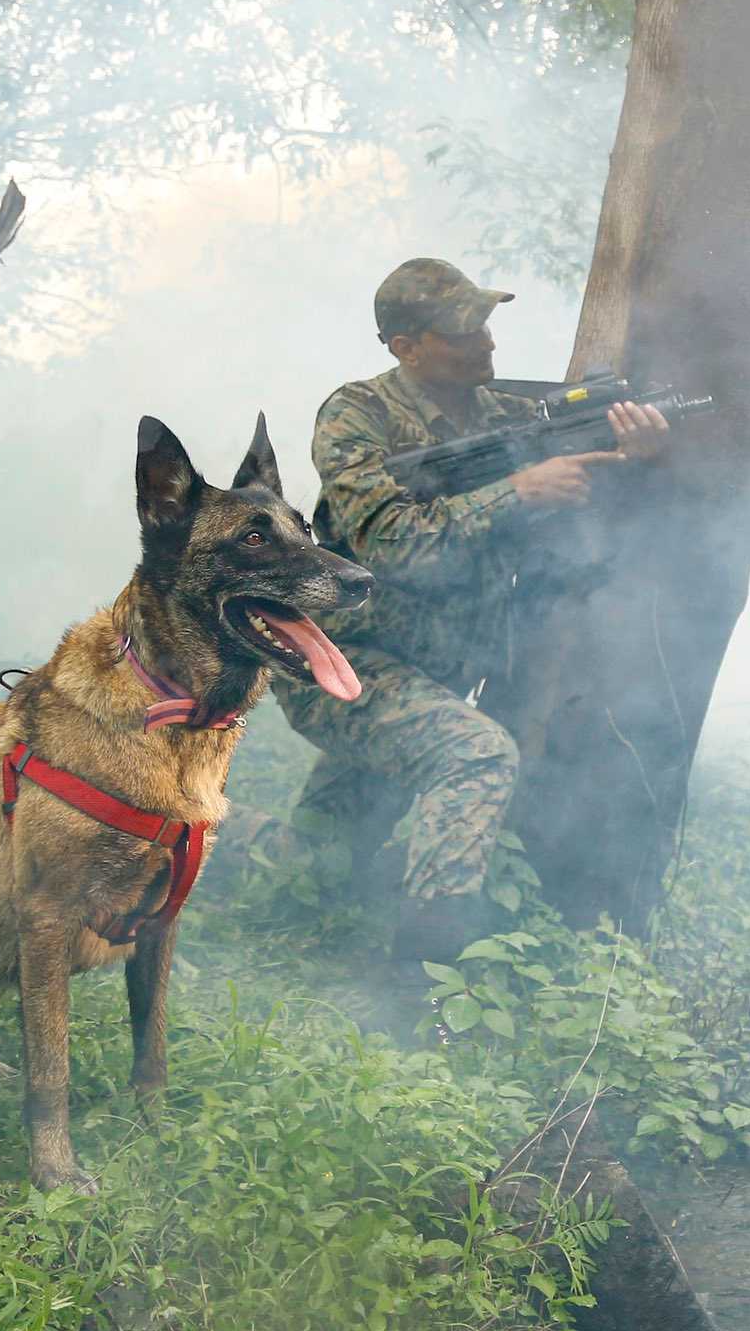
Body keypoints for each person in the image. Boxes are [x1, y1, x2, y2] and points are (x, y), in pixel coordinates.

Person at [275, 257, 667, 964]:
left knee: (313, 865)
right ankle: (424, 980)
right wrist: (518, 491)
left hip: (428, 674)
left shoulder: (510, 418)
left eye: (485, 325)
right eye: (464, 331)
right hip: (341, 663)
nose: (487, 342)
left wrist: (635, 450)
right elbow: (389, 542)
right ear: (405, 345)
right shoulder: (357, 414)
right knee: (477, 756)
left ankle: (173, 847)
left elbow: (592, 483)